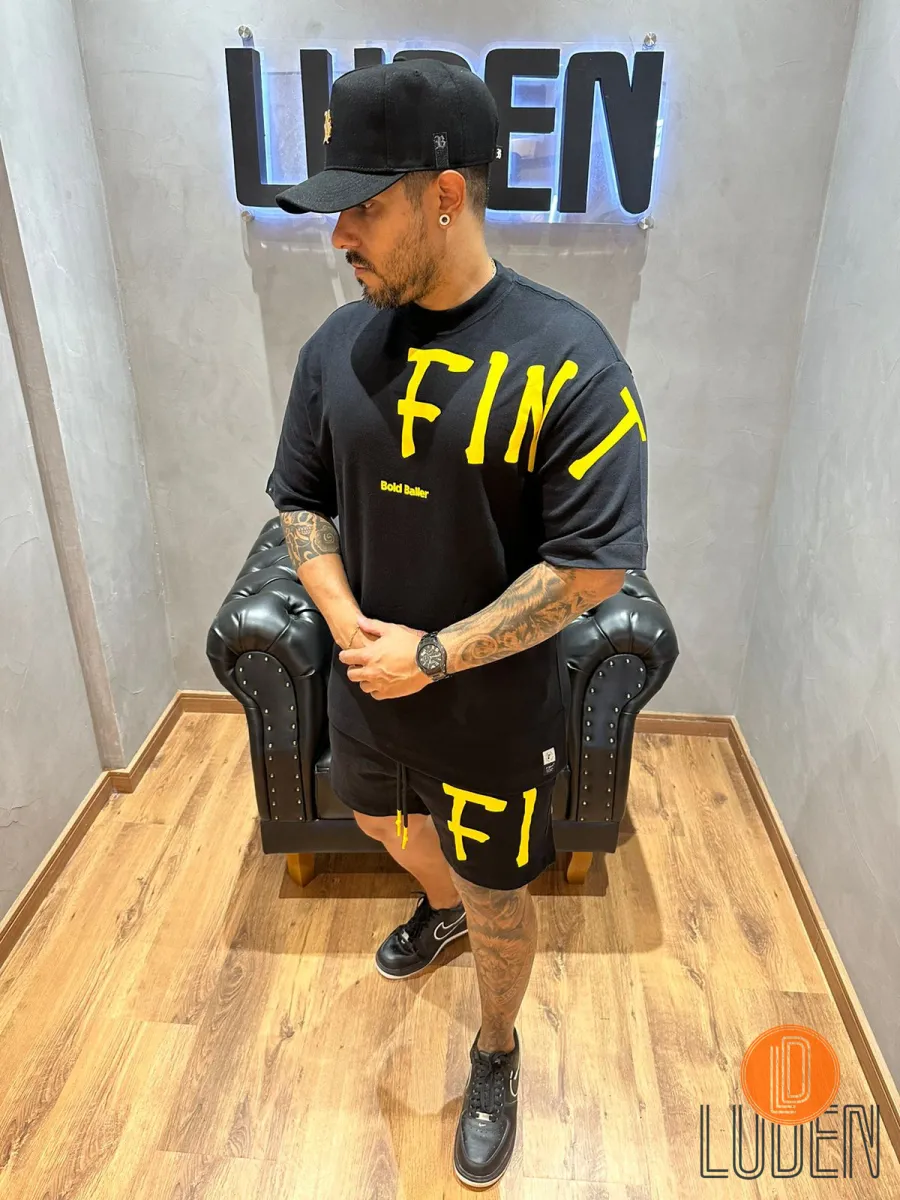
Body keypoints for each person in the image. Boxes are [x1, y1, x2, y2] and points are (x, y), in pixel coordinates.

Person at [266, 58, 649, 1190]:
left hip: (488, 715)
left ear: (445, 196)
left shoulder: (569, 359)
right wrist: (349, 625)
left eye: (363, 207)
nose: (339, 234)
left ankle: (495, 1050)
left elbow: (594, 569)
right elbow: (299, 500)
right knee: (377, 823)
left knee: (501, 898)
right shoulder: (335, 349)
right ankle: (436, 907)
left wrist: (433, 655)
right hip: (367, 686)